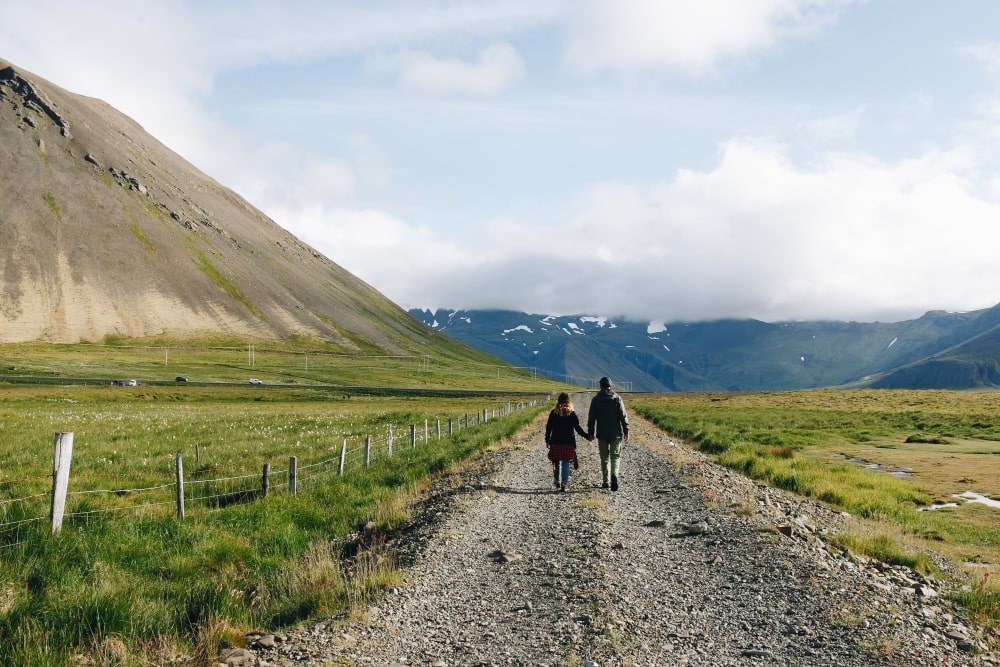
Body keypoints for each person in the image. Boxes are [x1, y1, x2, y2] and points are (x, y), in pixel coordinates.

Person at [587, 377, 629, 491]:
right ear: (611, 386)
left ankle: (606, 481)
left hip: (602, 434)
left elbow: (591, 419)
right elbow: (623, 416)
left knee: (604, 458)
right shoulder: (617, 398)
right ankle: (614, 475)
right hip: (615, 433)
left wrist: (591, 433)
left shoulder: (595, 400)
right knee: (615, 456)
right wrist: (626, 431)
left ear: (600, 386)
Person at [545, 392, 590, 492]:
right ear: (569, 402)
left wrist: (547, 440)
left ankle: (557, 481)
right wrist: (587, 436)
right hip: (568, 443)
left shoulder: (553, 413)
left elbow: (548, 428)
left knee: (556, 462)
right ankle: (564, 484)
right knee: (565, 462)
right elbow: (578, 429)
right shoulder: (572, 414)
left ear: (558, 402)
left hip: (555, 442)